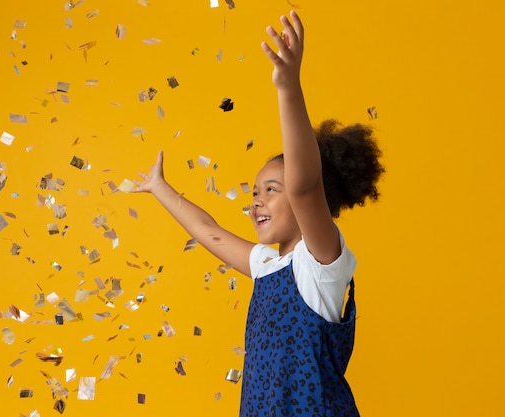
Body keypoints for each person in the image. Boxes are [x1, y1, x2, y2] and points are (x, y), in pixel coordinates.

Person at [132, 10, 384, 417]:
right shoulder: (267, 264)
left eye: (271, 190)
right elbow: (209, 232)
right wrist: (161, 188)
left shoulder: (320, 263)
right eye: (253, 193)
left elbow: (304, 187)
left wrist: (288, 88)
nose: (256, 202)